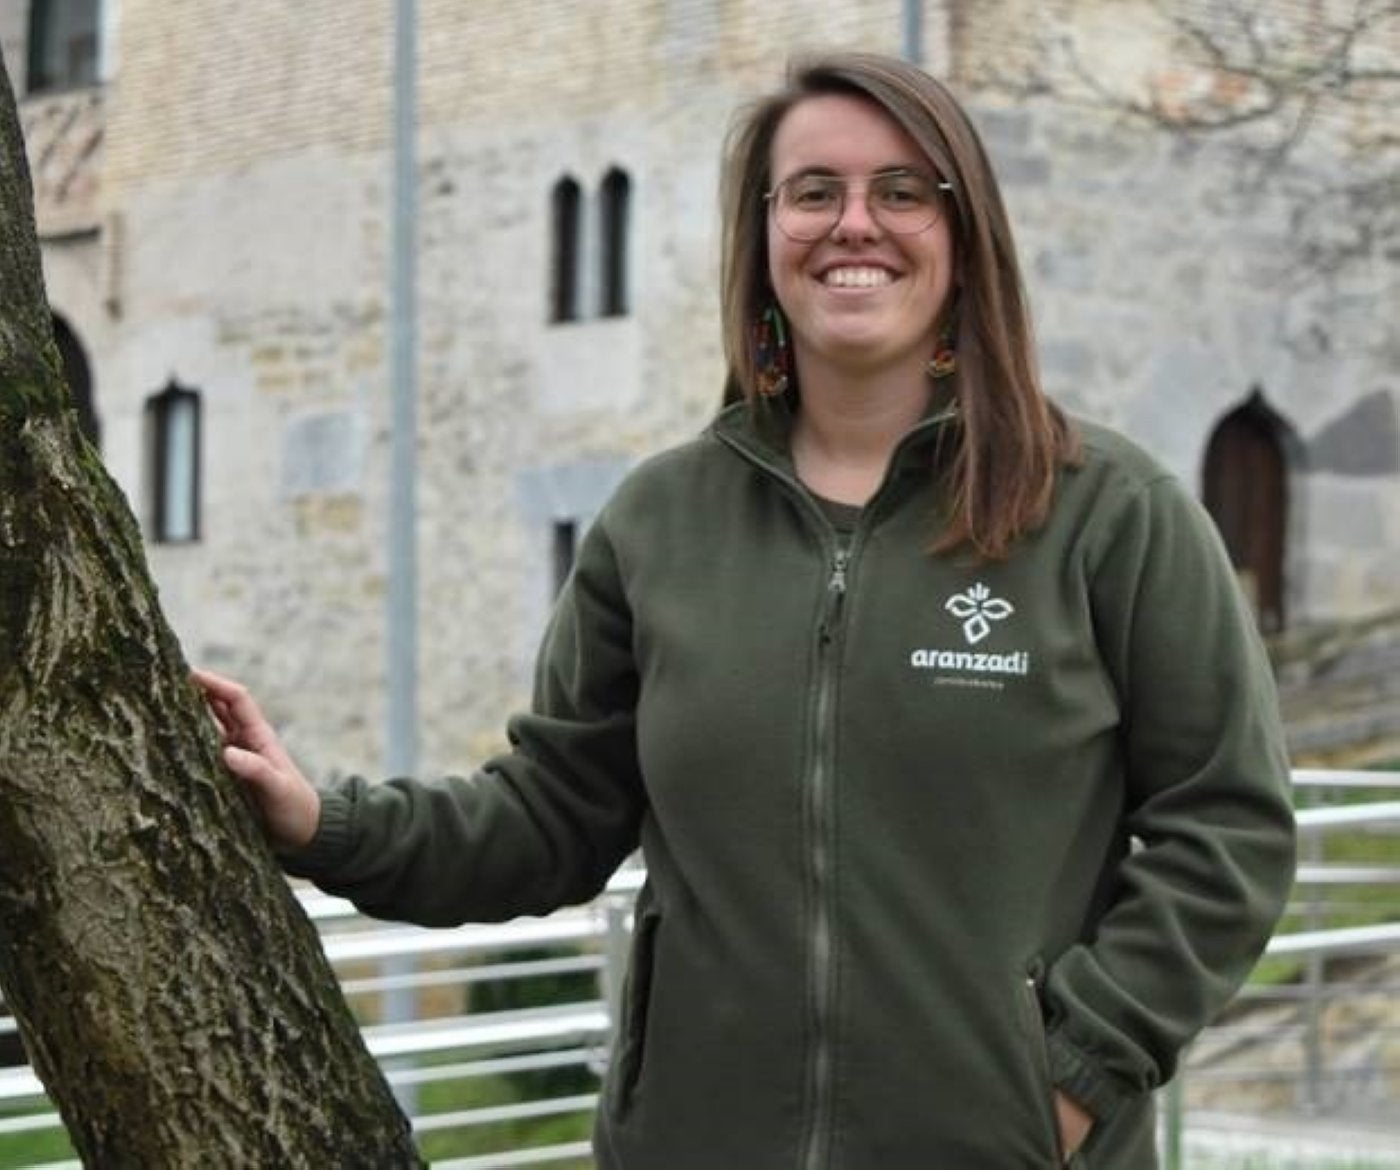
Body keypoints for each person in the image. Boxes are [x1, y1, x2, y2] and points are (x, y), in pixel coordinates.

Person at [197, 51, 1296, 1169]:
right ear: (764, 234)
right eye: (813, 191)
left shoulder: (1107, 514)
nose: (854, 223)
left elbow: (1228, 829)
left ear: (965, 236)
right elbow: (551, 815)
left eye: (902, 191)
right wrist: (323, 824)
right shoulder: (661, 522)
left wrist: (1073, 1077)